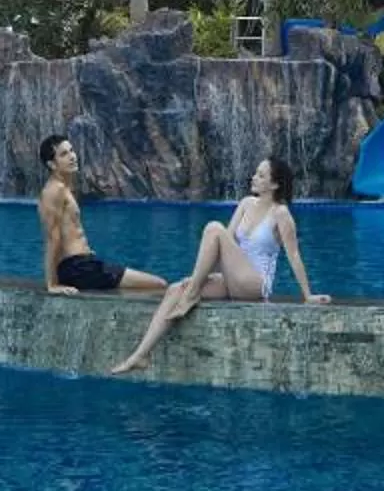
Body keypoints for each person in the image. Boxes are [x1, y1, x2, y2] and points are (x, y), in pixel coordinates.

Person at [109, 158, 328, 375]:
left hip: (256, 284)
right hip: (232, 279)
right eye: (255, 172)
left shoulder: (281, 214)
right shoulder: (245, 204)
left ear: (275, 184)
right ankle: (141, 355)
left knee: (214, 228)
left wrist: (307, 295)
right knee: (176, 289)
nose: (254, 177)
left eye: (261, 175)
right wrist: (199, 278)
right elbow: (225, 245)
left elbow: (294, 255)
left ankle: (192, 294)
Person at [38, 134, 166, 297]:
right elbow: (52, 237)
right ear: (51, 164)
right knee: (159, 285)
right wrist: (52, 284)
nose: (72, 157)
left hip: (84, 265)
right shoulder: (54, 191)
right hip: (79, 268)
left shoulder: (63, 188)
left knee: (152, 285)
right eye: (64, 154)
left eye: (71, 151)